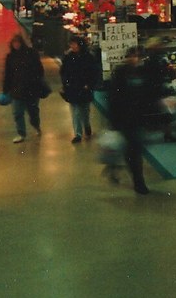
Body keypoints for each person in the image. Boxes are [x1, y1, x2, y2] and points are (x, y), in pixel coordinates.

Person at [107, 46, 153, 194]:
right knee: (132, 151)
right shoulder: (121, 73)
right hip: (124, 119)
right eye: (133, 56)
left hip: (138, 118)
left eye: (138, 57)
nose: (135, 59)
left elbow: (147, 94)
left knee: (133, 149)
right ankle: (139, 182)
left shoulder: (142, 72)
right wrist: (114, 121)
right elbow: (114, 98)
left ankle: (115, 167)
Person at [2, 33, 46, 143]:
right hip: (17, 89)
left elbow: (39, 69)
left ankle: (36, 125)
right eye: (14, 43)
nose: (16, 45)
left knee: (33, 111)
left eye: (17, 43)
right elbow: (8, 74)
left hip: (31, 88)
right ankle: (21, 133)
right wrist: (6, 89)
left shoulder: (31, 54)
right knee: (17, 112)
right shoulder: (10, 57)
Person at [59, 35, 100, 144]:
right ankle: (78, 133)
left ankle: (86, 126)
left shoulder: (88, 57)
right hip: (72, 87)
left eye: (74, 44)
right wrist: (65, 84)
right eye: (71, 44)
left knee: (85, 111)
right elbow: (63, 72)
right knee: (75, 111)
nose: (72, 46)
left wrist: (89, 84)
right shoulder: (68, 57)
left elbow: (94, 72)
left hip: (84, 87)